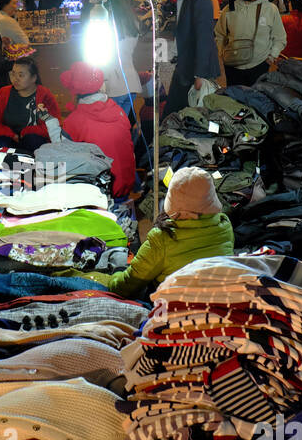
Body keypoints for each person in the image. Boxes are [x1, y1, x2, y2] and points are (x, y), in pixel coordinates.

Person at [106, 167, 235, 298]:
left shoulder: (161, 239)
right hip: (218, 302)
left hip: (176, 309)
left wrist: (113, 277)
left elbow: (127, 286)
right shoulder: (224, 225)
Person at [59, 61, 135, 198]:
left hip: (98, 194)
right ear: (100, 86)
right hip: (125, 187)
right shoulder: (118, 111)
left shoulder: (72, 121)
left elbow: (64, 161)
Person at [165, 0, 220, 115]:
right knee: (177, 115)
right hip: (184, 65)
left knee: (179, 115)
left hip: (193, 70)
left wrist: (200, 75)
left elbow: (204, 37)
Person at [213, 0, 286, 86]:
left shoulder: (270, 9)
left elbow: (280, 37)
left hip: (260, 65)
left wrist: (272, 56)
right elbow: (219, 34)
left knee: (257, 100)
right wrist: (222, 52)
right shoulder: (229, 10)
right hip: (233, 65)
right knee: (235, 101)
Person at [0, 56, 60, 152]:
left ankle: (31, 166)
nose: (15, 79)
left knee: (33, 141)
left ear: (33, 78)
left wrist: (27, 131)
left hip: (33, 141)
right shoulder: (4, 93)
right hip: (9, 139)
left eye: (21, 75)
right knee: (0, 146)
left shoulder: (44, 96)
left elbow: (53, 126)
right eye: (13, 74)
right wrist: (11, 134)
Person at [98, 0, 145, 114]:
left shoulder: (106, 22)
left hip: (113, 85)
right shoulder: (133, 21)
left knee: (113, 131)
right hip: (131, 84)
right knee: (122, 128)